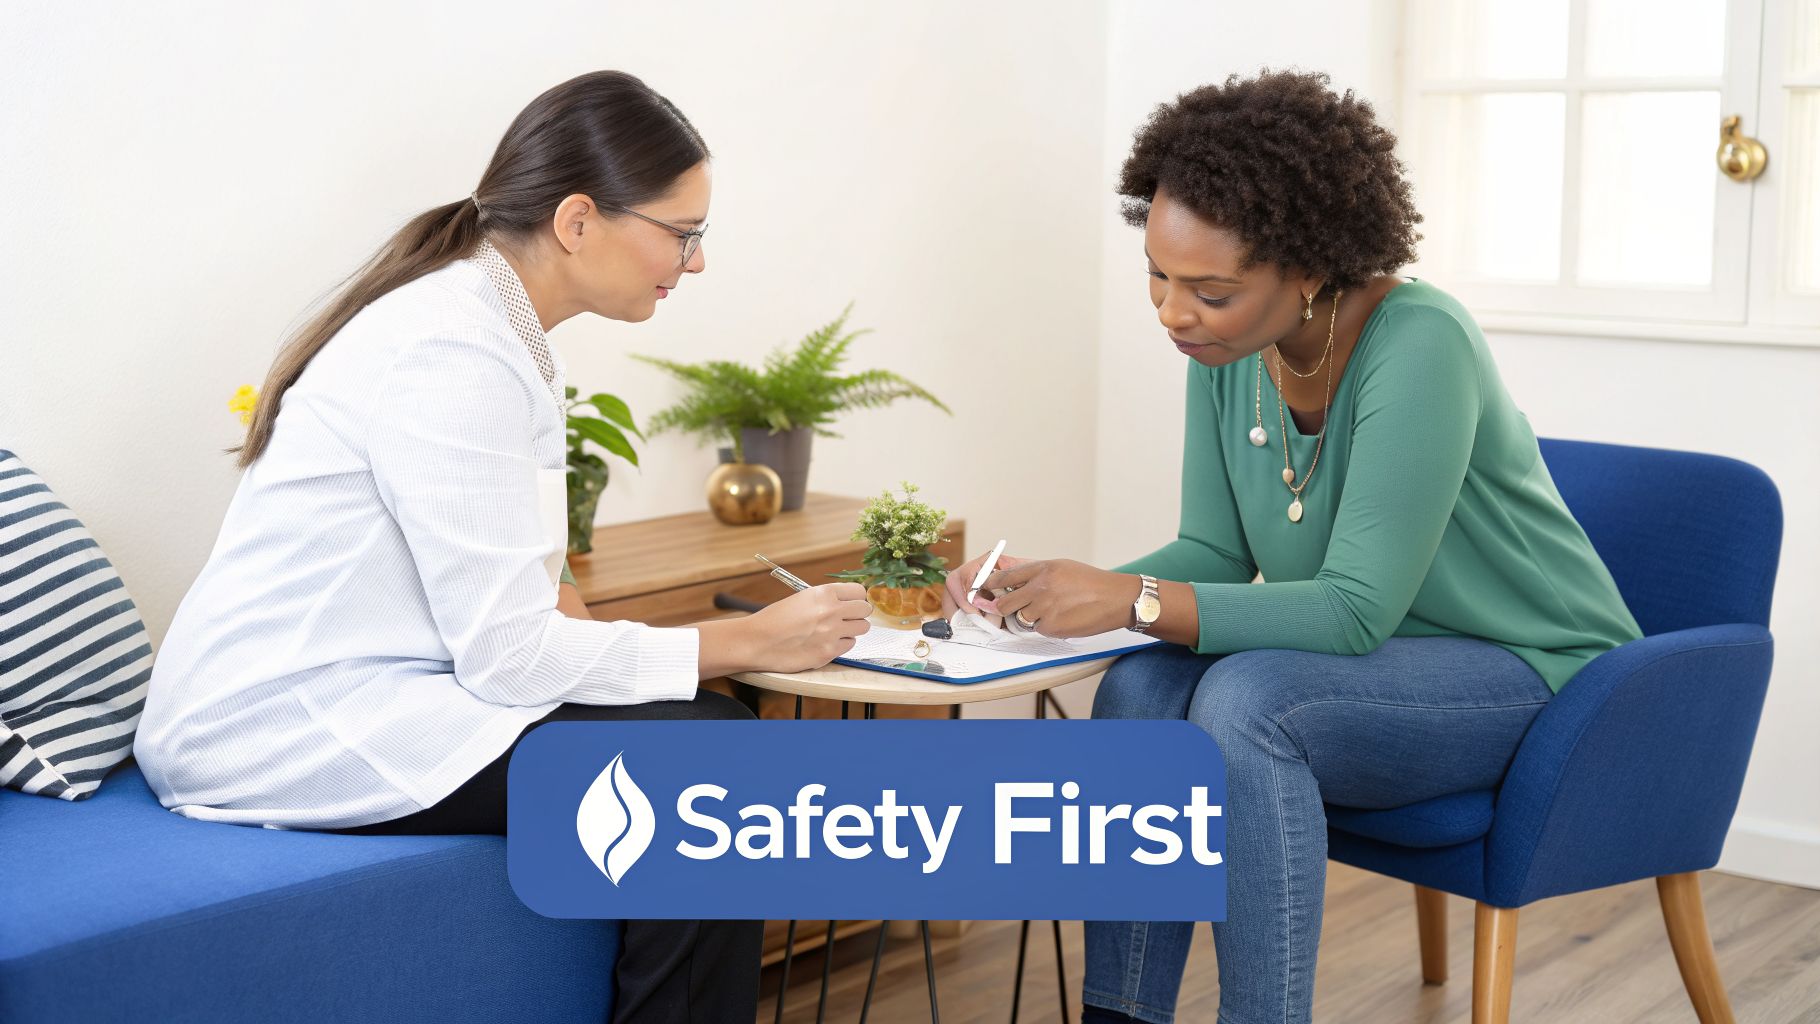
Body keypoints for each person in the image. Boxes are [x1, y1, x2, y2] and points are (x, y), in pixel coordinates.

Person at [133, 70, 872, 1024]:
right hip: (276, 723)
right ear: (577, 220)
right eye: (682, 233)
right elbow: (510, 653)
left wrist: (689, 668)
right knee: (708, 762)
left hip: (378, 684)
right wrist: (743, 642)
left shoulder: (500, 331)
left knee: (701, 725)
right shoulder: (452, 350)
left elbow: (540, 588)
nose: (694, 263)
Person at [942, 70, 1643, 1024]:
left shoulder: (1420, 342)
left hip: (1535, 674)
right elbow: (1215, 553)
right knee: (1141, 685)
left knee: (1250, 697)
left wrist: (1131, 601)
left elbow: (1353, 609)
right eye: (1158, 274)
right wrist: (1070, 585)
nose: (1173, 312)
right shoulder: (1230, 350)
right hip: (1383, 669)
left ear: (1309, 268)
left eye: (1211, 290)